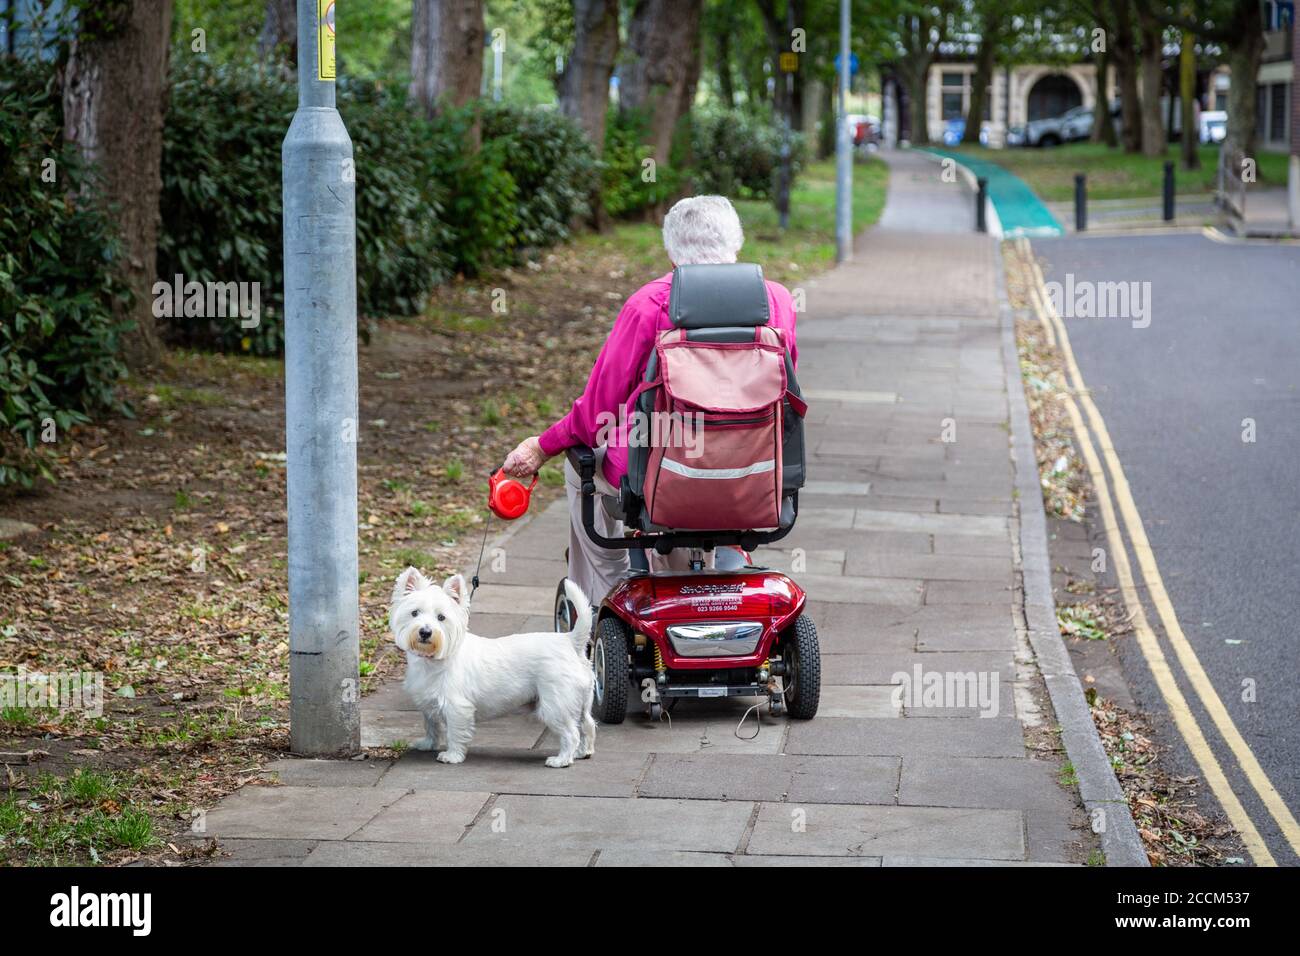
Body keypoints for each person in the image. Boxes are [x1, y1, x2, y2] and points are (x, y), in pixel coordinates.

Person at [501, 195, 799, 605]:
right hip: (755, 469)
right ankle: (719, 558)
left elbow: (596, 414)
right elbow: (786, 394)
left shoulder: (649, 304)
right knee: (688, 465)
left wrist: (542, 445)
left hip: (664, 466)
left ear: (670, 251)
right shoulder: (777, 301)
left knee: (585, 470)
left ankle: (604, 597)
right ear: (737, 242)